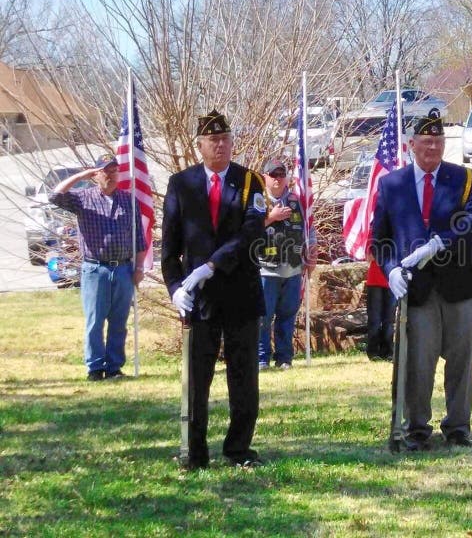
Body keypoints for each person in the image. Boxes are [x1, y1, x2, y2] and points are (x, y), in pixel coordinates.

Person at [371, 108, 472, 450]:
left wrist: (440, 242)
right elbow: (379, 238)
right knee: (416, 363)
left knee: (462, 360)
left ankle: (457, 427)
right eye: (426, 142)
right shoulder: (391, 184)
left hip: (461, 283)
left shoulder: (465, 177)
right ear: (411, 145)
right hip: (417, 288)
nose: (432, 149)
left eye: (438, 142)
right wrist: (391, 269)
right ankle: (416, 429)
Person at [161, 109, 267, 470]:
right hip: (199, 299)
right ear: (200, 145)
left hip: (240, 291)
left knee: (243, 377)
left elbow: (252, 232)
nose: (220, 145)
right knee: (196, 379)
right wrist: (175, 287)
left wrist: (211, 264)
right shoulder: (181, 183)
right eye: (213, 140)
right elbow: (170, 247)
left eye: (225, 139)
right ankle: (194, 452)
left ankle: (238, 449)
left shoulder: (250, 181)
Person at [49, 154, 146, 381]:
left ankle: (114, 367)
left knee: (119, 321)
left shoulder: (129, 201)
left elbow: (140, 238)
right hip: (95, 270)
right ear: (96, 175)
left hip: (123, 269)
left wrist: (139, 267)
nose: (111, 175)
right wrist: (82, 175)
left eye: (114, 171)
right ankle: (94, 368)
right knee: (95, 321)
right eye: (105, 171)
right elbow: (55, 195)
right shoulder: (82, 199)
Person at [257, 159, 317, 371]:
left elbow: (308, 228)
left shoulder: (296, 201)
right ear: (265, 176)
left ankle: (284, 358)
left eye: (281, 174)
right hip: (266, 268)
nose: (277, 178)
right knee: (263, 317)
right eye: (273, 174)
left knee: (287, 316)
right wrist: (270, 218)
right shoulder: (258, 200)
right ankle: (261, 358)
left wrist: (312, 252)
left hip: (292, 268)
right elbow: (247, 230)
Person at [365, 257, 395, 362]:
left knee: (389, 320)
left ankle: (388, 352)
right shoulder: (373, 240)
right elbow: (369, 257)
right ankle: (373, 351)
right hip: (374, 281)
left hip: (392, 281)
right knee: (375, 319)